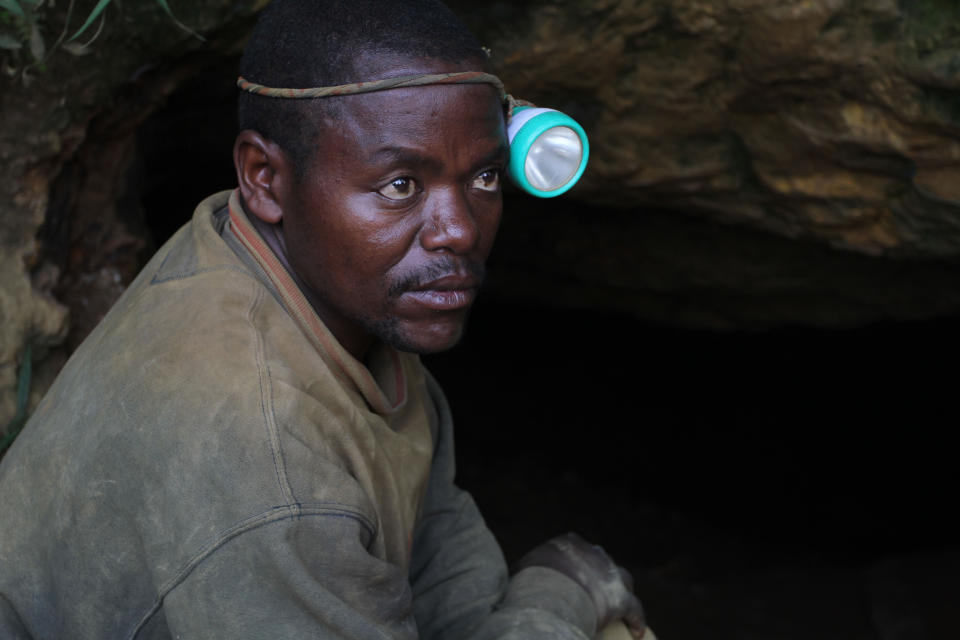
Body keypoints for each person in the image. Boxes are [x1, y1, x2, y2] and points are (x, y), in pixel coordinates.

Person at [0, 1, 646, 638]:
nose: (457, 231)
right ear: (265, 178)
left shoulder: (315, 278)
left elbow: (435, 544)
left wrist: (526, 612)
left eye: (482, 176)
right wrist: (558, 599)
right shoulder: (265, 464)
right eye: (400, 185)